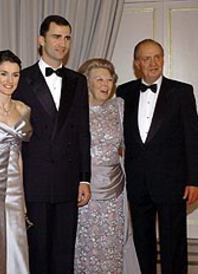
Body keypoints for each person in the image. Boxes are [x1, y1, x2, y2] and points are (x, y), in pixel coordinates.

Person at [13, 15, 91, 274]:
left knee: (63, 251)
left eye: (67, 37)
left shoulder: (77, 81)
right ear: (41, 40)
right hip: (34, 180)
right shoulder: (21, 79)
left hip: (68, 180)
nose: (62, 43)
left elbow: (82, 130)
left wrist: (85, 178)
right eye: (56, 36)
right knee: (37, 251)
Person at [116, 39, 198, 274]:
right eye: (146, 58)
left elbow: (192, 139)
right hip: (138, 182)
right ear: (137, 64)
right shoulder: (124, 92)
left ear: (163, 59)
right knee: (142, 242)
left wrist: (194, 179)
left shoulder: (182, 92)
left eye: (157, 57)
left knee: (174, 244)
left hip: (173, 182)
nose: (153, 63)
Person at [74, 58, 140, 274]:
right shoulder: (75, 111)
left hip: (115, 190)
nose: (105, 84)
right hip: (85, 190)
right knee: (85, 245)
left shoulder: (119, 107)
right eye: (99, 79)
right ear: (87, 83)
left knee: (112, 245)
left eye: (109, 79)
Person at [0, 50, 32, 274]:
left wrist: (22, 199)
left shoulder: (23, 109)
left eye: (15, 75)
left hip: (14, 187)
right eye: (4, 74)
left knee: (17, 243)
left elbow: (19, 155)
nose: (10, 81)